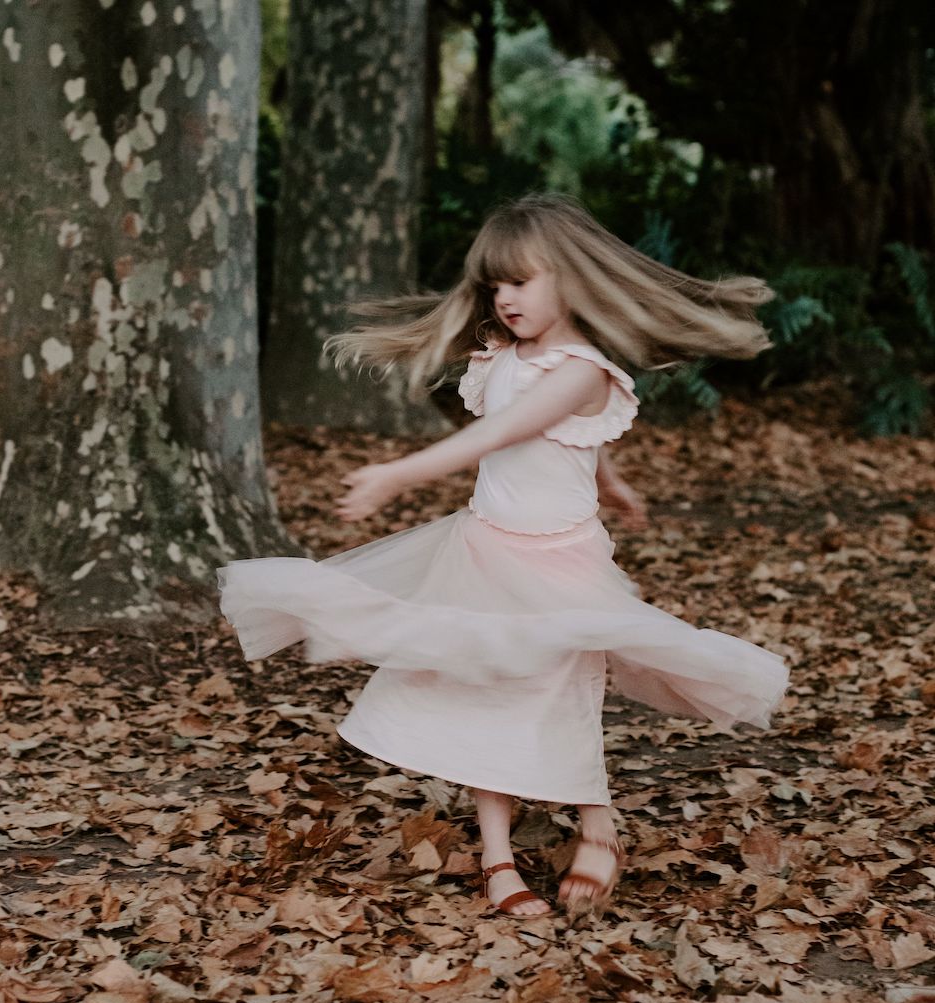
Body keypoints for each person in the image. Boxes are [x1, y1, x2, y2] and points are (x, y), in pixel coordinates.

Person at [217, 193, 790, 919]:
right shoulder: (501, 357)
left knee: (562, 693)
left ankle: (599, 828)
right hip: (485, 550)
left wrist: (399, 474)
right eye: (496, 283)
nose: (506, 297)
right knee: (481, 688)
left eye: (523, 280)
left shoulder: (582, 369)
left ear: (573, 278)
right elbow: (557, 437)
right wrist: (610, 478)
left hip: (562, 563)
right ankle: (498, 859)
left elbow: (503, 435)